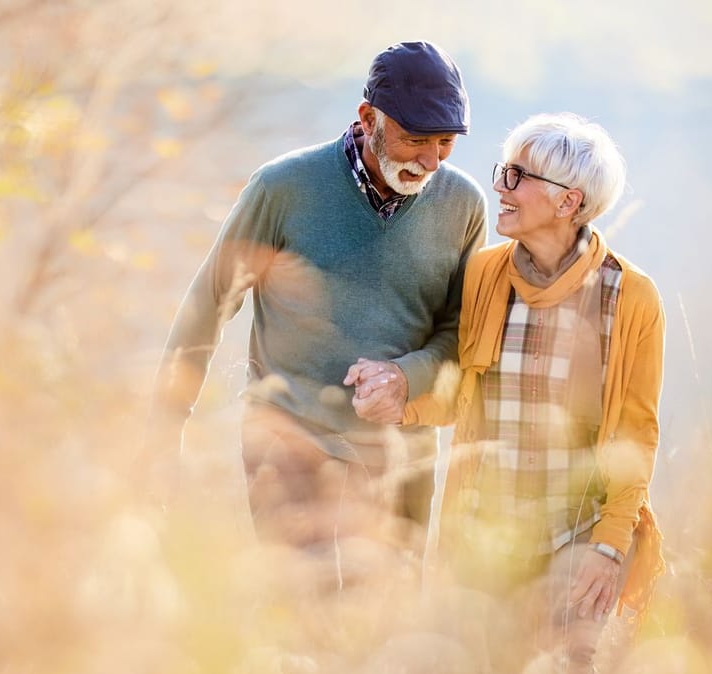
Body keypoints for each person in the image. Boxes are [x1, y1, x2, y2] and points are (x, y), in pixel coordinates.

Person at [152, 41, 486, 556]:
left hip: (401, 459)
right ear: (368, 116)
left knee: (384, 626)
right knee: (299, 617)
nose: (430, 160)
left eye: (445, 142)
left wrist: (405, 377)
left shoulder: (463, 205)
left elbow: (460, 334)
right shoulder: (284, 188)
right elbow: (211, 301)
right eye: (415, 138)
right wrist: (168, 417)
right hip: (288, 449)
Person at [402, 112, 666, 672]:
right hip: (484, 536)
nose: (500, 187)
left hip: (577, 536)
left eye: (517, 176)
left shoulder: (632, 298)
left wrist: (608, 546)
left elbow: (635, 434)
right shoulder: (483, 276)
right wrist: (399, 397)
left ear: (569, 202)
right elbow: (459, 396)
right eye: (504, 171)